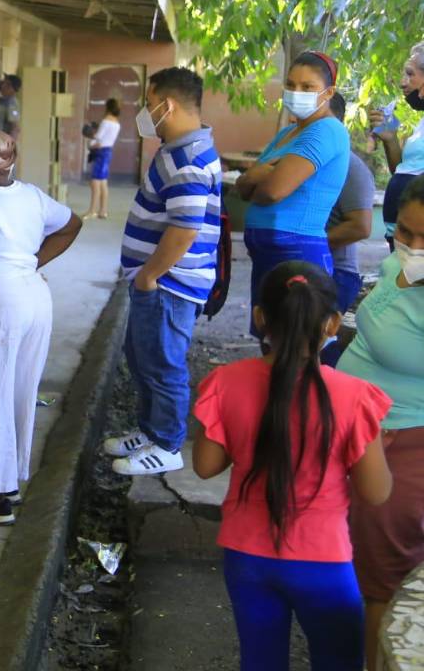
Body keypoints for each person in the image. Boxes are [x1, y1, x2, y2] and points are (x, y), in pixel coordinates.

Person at [193, 261, 392, 671]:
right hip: (324, 562)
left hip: (247, 558)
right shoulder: (355, 397)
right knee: (339, 662)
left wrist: (233, 426)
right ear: (333, 325)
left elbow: (206, 466)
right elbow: (376, 492)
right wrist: (376, 447)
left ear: (260, 317)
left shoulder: (226, 382)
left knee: (260, 661)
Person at [0, 127, 81, 524]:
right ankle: (8, 480)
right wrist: (30, 263)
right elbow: (72, 224)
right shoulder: (29, 194)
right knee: (19, 391)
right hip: (34, 298)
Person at [104, 67, 222, 476]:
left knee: (162, 363)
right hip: (159, 281)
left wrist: (150, 275)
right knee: (142, 358)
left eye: (148, 103)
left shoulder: (188, 158)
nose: (144, 112)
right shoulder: (176, 149)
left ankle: (168, 444)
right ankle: (150, 430)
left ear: (166, 105)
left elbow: (184, 228)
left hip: (170, 284)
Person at [337, 175, 424, 669]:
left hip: (402, 445)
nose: (412, 246)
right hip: (362, 433)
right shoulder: (402, 263)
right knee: (356, 567)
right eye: (405, 232)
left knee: (385, 585)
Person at [236, 51, 348, 338]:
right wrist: (255, 176)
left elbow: (272, 191)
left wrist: (257, 177)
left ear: (328, 93)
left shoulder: (325, 131)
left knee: (296, 343)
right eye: (291, 84)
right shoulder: (287, 133)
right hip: (270, 254)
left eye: (307, 87)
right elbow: (245, 187)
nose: (296, 93)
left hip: (298, 251)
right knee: (269, 336)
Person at [368, 41, 424, 252]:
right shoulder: (420, 126)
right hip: (399, 234)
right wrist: (390, 139)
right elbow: (402, 171)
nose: (403, 83)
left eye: (410, 74)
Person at [323, 93, 374, 315]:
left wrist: (307, 245)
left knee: (314, 346)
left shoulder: (352, 168)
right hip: (296, 266)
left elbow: (360, 227)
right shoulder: (301, 159)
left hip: (334, 273)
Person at [84, 98, 121, 220]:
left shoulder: (106, 121)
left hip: (100, 152)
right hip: (108, 151)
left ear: (107, 107)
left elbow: (98, 139)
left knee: (95, 182)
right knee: (103, 182)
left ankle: (92, 211)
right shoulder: (117, 123)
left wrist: (90, 141)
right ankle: (103, 211)